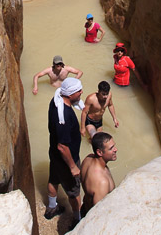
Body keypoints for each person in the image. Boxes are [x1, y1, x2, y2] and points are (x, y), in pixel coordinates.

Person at [45, 77, 84, 230]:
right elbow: (63, 147)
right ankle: (78, 219)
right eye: (78, 91)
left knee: (53, 179)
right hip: (67, 159)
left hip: (54, 153)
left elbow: (58, 146)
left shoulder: (56, 99)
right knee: (74, 191)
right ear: (70, 94)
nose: (81, 92)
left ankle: (51, 207)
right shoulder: (65, 117)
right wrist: (73, 166)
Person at [80, 132, 117, 217]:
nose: (115, 149)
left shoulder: (88, 158)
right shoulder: (102, 182)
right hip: (90, 217)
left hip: (84, 208)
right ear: (99, 152)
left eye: (114, 146)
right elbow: (98, 214)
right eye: (111, 148)